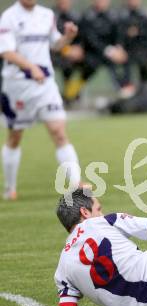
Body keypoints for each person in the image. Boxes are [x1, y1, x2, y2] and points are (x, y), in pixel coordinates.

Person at [0, 0, 82, 200]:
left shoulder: (47, 15)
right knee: (15, 136)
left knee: (59, 132)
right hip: (17, 86)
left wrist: (67, 37)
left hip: (45, 84)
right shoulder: (9, 17)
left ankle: (77, 188)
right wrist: (30, 67)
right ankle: (10, 188)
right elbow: (6, 52)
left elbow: (55, 44)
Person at [73, 0, 129, 101]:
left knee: (123, 62)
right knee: (86, 68)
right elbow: (90, 38)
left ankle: (126, 93)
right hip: (92, 53)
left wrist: (119, 47)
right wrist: (108, 50)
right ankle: (72, 94)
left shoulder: (114, 16)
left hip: (111, 54)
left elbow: (119, 34)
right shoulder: (87, 17)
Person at [52, 0, 84, 105]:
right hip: (54, 53)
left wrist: (78, 48)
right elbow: (52, 41)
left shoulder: (75, 17)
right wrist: (67, 50)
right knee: (64, 65)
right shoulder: (50, 15)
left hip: (72, 53)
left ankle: (71, 94)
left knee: (89, 64)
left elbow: (82, 37)